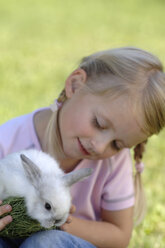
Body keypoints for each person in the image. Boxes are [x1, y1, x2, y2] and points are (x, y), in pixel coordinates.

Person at [0, 47, 165, 248]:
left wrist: (57, 220)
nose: (100, 146)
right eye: (99, 123)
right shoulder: (7, 141)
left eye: (117, 144)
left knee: (46, 242)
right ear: (75, 85)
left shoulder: (114, 161)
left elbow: (120, 236)